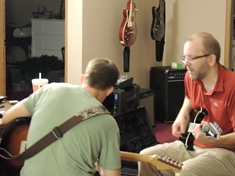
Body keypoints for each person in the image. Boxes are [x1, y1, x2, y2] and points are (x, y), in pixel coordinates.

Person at [2, 58, 121, 176]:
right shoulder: (108, 123)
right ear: (110, 90)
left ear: (82, 78)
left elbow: (7, 118)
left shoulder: (50, 89)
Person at [138, 32, 235, 176]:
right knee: (146, 157)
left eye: (192, 58)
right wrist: (182, 113)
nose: (186, 63)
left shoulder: (232, 85)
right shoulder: (191, 76)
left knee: (185, 171)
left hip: (226, 153)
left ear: (211, 59)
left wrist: (215, 139)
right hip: (193, 144)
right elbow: (189, 97)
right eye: (184, 57)